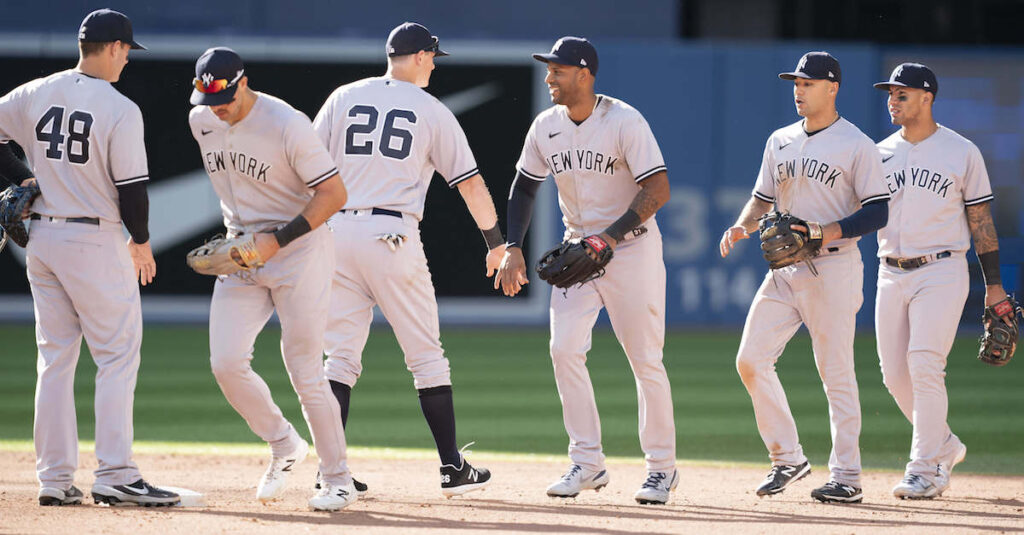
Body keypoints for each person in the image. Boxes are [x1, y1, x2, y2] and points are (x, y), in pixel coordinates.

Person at [312, 22, 501, 498]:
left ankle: (330, 473)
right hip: (391, 234)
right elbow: (471, 184)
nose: (435, 64)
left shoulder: (343, 96)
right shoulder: (431, 109)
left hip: (337, 233)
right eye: (433, 56)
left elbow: (307, 167)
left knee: (339, 357)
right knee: (426, 357)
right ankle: (452, 468)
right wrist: (496, 243)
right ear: (418, 56)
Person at [0, 9, 179, 507]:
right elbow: (133, 189)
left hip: (43, 240)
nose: (127, 59)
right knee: (117, 356)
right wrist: (140, 241)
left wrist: (23, 178)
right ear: (116, 47)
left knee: (54, 359)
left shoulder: (36, 91)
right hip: (93, 240)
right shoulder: (120, 107)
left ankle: (53, 480)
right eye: (127, 50)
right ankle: (116, 473)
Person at [496, 36, 677, 505]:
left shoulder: (623, 120)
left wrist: (610, 237)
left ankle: (661, 469)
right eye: (548, 69)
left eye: (557, 69)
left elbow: (658, 188)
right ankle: (588, 462)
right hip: (577, 252)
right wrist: (512, 245)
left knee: (644, 359)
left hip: (630, 250)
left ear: (584, 73)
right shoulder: (546, 125)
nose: (548, 76)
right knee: (563, 349)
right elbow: (524, 187)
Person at [187, 47, 354, 511]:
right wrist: (241, 241)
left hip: (298, 252)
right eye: (206, 96)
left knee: (303, 368)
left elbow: (334, 194)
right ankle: (284, 442)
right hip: (240, 252)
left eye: (222, 96)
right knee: (225, 362)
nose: (215, 106)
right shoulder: (202, 119)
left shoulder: (286, 123)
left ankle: (337, 477)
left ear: (243, 83)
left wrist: (275, 242)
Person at [719, 51, 890, 503]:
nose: (798, 89)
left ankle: (848, 477)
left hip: (833, 265)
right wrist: (743, 224)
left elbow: (878, 210)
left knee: (835, 372)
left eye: (808, 83)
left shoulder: (856, 144)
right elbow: (762, 197)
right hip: (785, 269)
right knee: (751, 360)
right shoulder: (780, 139)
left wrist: (822, 231)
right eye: (795, 82)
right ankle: (788, 458)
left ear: (832, 88)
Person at [872, 63, 1005, 499]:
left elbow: (981, 220)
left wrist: (994, 285)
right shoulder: (879, 152)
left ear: (927, 98)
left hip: (942, 269)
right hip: (889, 271)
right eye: (890, 93)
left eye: (902, 93)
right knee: (894, 376)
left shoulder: (961, 151)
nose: (892, 99)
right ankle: (945, 444)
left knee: (925, 363)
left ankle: (925, 467)